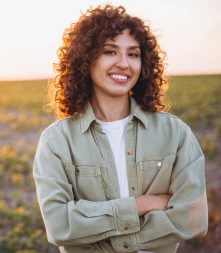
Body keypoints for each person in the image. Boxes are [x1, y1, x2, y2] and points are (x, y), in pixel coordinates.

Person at [33, 4, 208, 253]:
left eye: (134, 54)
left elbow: (193, 220)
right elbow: (59, 226)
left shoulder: (175, 134)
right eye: (110, 51)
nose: (124, 64)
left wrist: (95, 231)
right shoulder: (57, 141)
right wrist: (141, 204)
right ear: (86, 59)